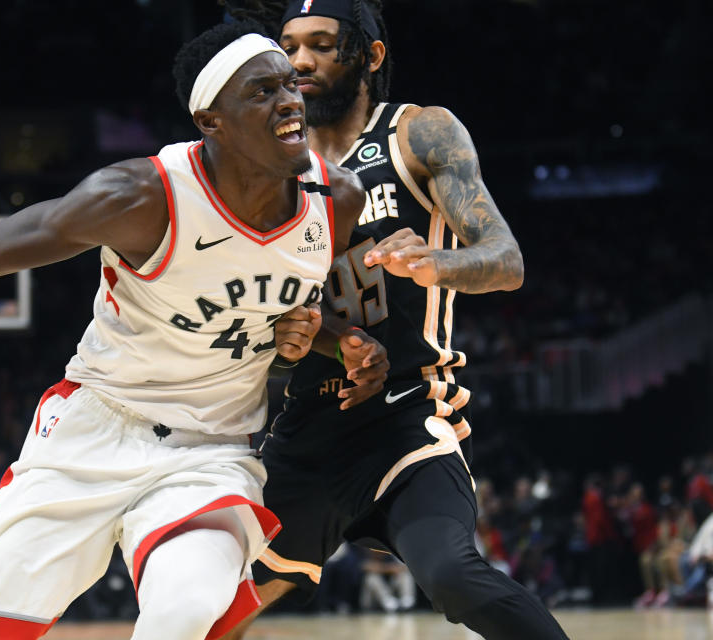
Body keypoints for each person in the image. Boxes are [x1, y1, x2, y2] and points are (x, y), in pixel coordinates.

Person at [0, 21, 389, 640]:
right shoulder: (140, 196)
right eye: (261, 91)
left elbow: (278, 315)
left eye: (287, 84)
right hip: (94, 431)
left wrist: (336, 342)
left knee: (187, 608)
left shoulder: (338, 200)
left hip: (210, 451)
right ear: (210, 121)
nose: (288, 101)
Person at [218, 1, 570, 638]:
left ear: (369, 57)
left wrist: (437, 262)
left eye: (322, 45)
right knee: (212, 608)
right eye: (289, 45)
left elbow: (507, 260)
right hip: (305, 431)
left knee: (454, 576)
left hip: (406, 419)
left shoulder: (417, 133)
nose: (299, 61)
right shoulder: (269, 171)